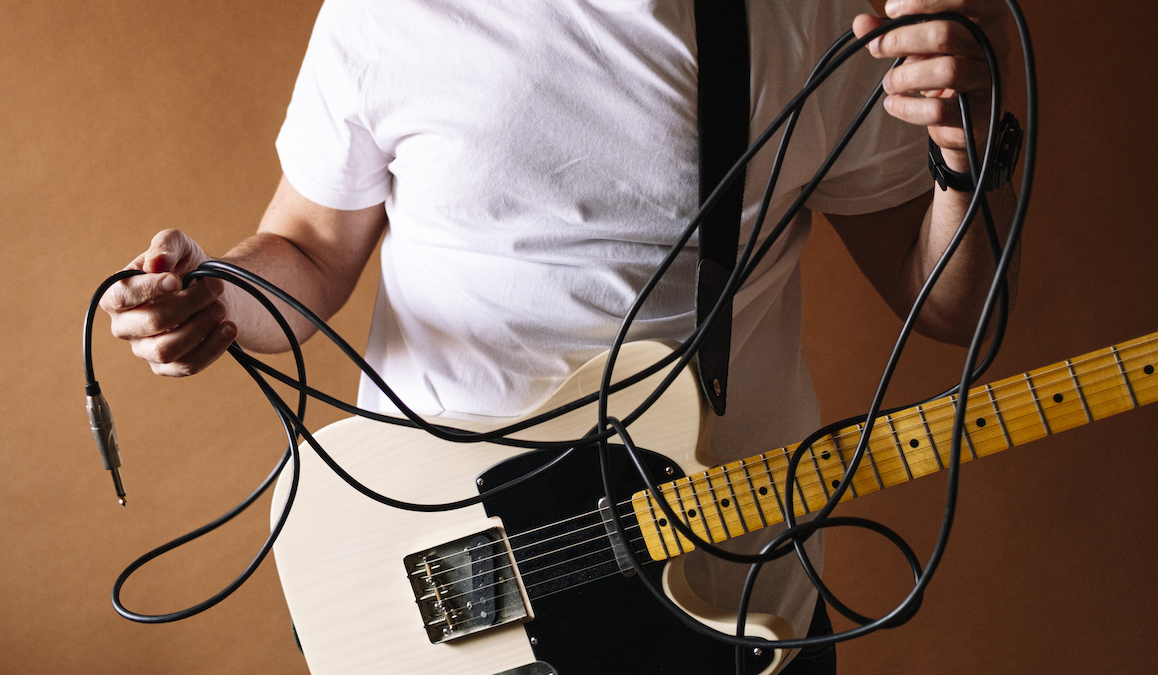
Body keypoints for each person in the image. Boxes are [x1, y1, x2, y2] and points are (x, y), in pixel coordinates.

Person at [101, 1, 1018, 672]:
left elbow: (946, 305)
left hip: (732, 588)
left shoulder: (814, 12)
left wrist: (965, 157)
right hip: (458, 581)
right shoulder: (387, 11)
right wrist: (212, 298)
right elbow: (307, 249)